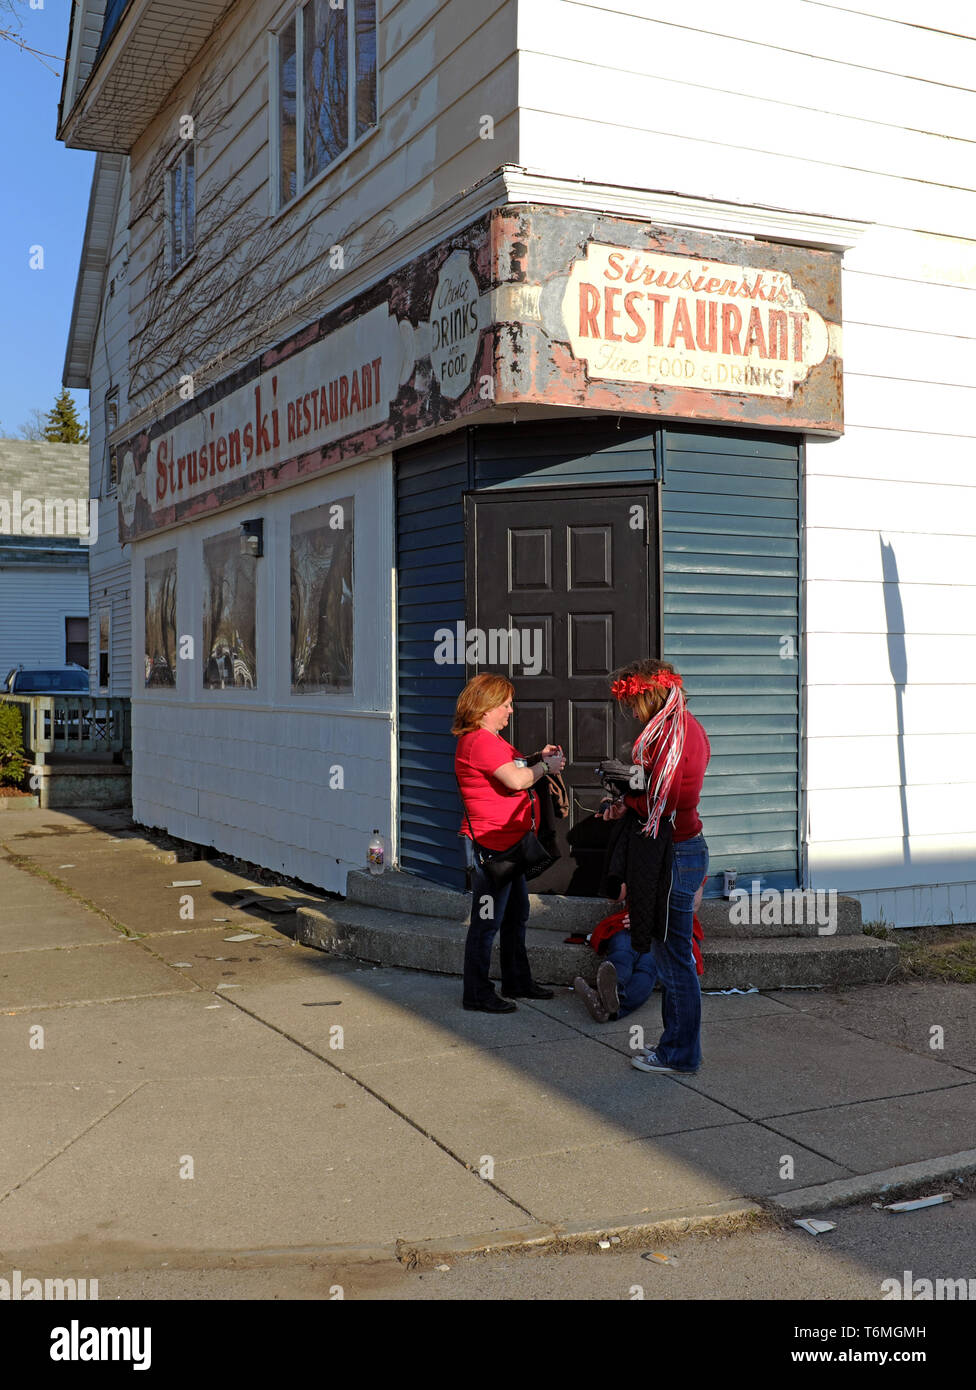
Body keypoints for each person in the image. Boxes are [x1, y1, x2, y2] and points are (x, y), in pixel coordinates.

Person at [585, 659, 710, 1072]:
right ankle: (678, 1050)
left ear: (647, 694)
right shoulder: (677, 728)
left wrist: (630, 797)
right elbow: (657, 792)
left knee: (673, 958)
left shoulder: (675, 736)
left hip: (674, 854)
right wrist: (626, 799)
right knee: (667, 953)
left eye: (632, 702)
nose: (631, 713)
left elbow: (668, 799)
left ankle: (679, 1054)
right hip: (676, 848)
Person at [453, 673, 567, 1013]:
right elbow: (517, 780)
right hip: (493, 847)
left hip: (509, 845)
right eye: (504, 705)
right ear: (485, 708)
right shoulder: (479, 741)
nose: (510, 711)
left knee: (517, 914)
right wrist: (544, 766)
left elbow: (513, 767)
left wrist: (536, 757)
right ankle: (476, 993)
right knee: (487, 922)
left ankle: (517, 980)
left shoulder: (491, 740)